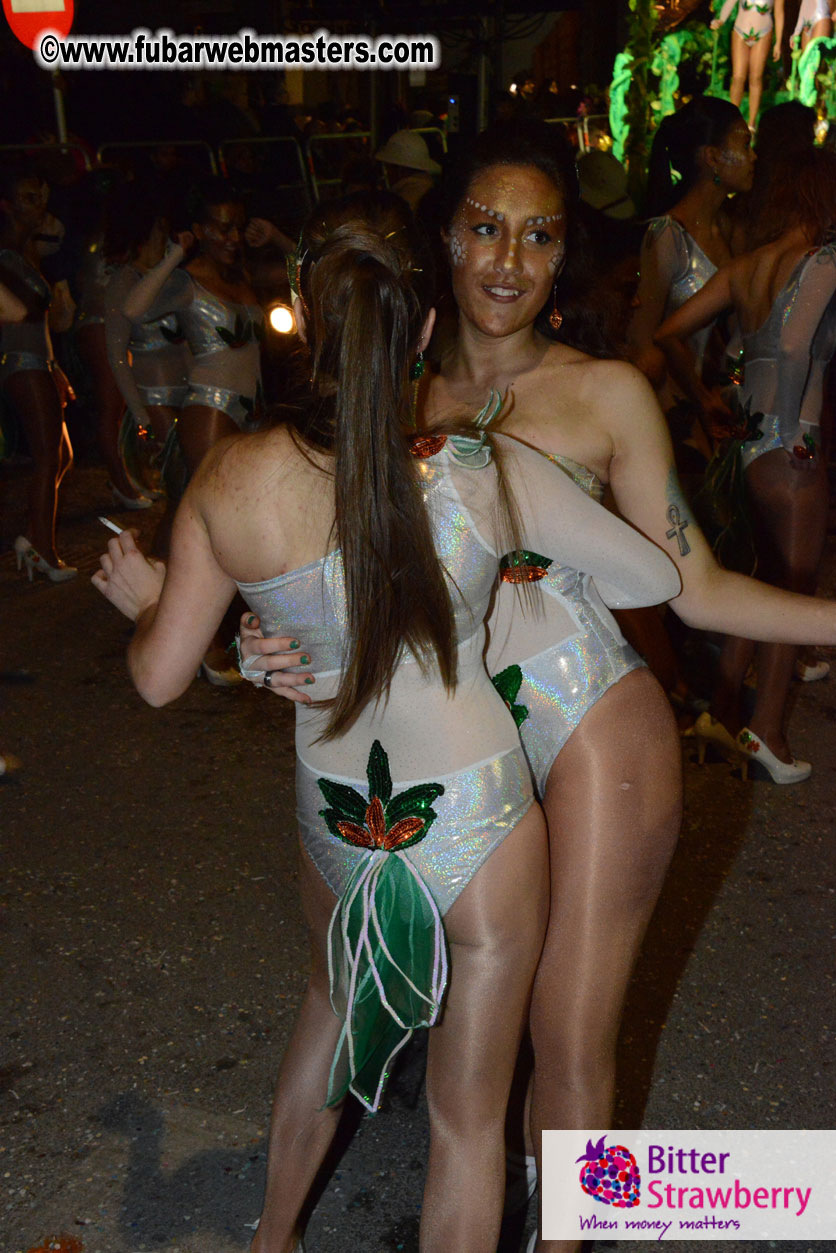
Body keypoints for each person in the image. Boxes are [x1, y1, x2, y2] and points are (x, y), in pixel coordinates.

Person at [244, 124, 836, 1253]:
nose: (508, 259)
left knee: (567, 1034)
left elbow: (694, 589)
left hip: (587, 717)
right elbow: (302, 557)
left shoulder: (605, 389)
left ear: (566, 258)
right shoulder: (388, 389)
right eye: (482, 227)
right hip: (447, 738)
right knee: (468, 1030)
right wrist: (259, 632)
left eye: (540, 234)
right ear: (443, 243)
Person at [92, 190, 680, 1253]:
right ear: (416, 328)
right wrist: (511, 559)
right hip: (480, 818)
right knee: (466, 1123)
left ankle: (272, 1237)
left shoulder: (229, 476)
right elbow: (645, 575)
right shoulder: (477, 470)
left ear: (303, 321)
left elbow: (157, 679)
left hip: (337, 810)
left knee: (324, 1011)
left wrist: (153, 605)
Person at [655, 147, 836, 783]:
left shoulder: (748, 265)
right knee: (790, 593)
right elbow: (791, 346)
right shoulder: (822, 259)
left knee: (757, 583)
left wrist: (718, 394)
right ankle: (770, 734)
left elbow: (678, 331)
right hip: (793, 443)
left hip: (745, 444)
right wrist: (792, 432)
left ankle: (724, 709)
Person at [121, 179, 265, 683]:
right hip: (209, 408)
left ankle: (155, 608)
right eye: (220, 226)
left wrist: (284, 242)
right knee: (208, 526)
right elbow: (134, 309)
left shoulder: (242, 274)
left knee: (185, 518)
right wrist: (174, 256)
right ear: (200, 230)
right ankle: (200, 643)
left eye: (238, 225)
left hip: (248, 410)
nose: (232, 235)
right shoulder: (189, 280)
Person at [629, 96, 756, 467]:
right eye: (745, 145)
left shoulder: (731, 231)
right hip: (675, 419)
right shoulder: (667, 236)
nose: (754, 157)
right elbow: (641, 341)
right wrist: (685, 413)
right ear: (712, 157)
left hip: (721, 411)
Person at [0, 164, 76, 581]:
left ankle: (33, 540)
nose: (40, 205)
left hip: (38, 361)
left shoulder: (23, 250)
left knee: (62, 456)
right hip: (18, 363)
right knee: (48, 457)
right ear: (7, 206)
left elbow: (42, 323)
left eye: (42, 196)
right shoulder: (5, 252)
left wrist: (56, 367)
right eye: (30, 198)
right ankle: (44, 552)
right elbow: (23, 311)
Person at [711, 0, 784, 131]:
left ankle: (751, 124)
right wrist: (721, 20)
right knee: (738, 77)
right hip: (740, 30)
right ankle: (732, 121)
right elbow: (729, 3)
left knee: (755, 77)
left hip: (763, 32)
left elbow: (779, 13)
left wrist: (778, 42)